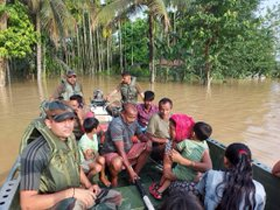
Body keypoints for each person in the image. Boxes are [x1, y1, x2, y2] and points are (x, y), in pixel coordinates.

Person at [20, 100, 122, 209]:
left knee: (115, 197)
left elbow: (77, 167)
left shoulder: (70, 139)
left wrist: (89, 186)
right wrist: (71, 193)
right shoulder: (35, 152)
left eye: (71, 119)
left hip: (74, 192)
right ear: (49, 123)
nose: (68, 125)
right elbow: (27, 204)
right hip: (52, 202)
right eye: (61, 121)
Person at [149, 121, 212, 200]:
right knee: (171, 174)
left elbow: (174, 149)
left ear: (193, 133)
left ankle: (159, 190)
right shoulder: (205, 146)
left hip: (181, 171)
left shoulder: (186, 142)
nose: (168, 130)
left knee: (168, 176)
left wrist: (171, 147)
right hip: (192, 175)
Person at [196, 142, 266, 210]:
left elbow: (197, 195)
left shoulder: (211, 176)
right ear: (250, 164)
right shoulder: (260, 190)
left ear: (225, 161)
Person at [100, 103, 152, 187]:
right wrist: (130, 171)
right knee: (117, 162)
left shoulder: (134, 121)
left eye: (135, 117)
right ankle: (114, 178)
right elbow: (120, 150)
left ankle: (135, 174)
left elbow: (140, 135)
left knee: (148, 147)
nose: (133, 120)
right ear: (122, 114)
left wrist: (148, 140)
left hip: (127, 149)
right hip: (113, 152)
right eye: (130, 117)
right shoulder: (116, 124)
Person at [79, 117, 111, 187]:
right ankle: (86, 181)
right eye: (98, 126)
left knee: (102, 159)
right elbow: (87, 158)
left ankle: (102, 177)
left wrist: (95, 153)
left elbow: (95, 151)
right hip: (84, 162)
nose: (100, 127)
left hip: (92, 157)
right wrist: (94, 153)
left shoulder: (94, 135)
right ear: (94, 129)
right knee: (98, 167)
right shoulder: (84, 140)